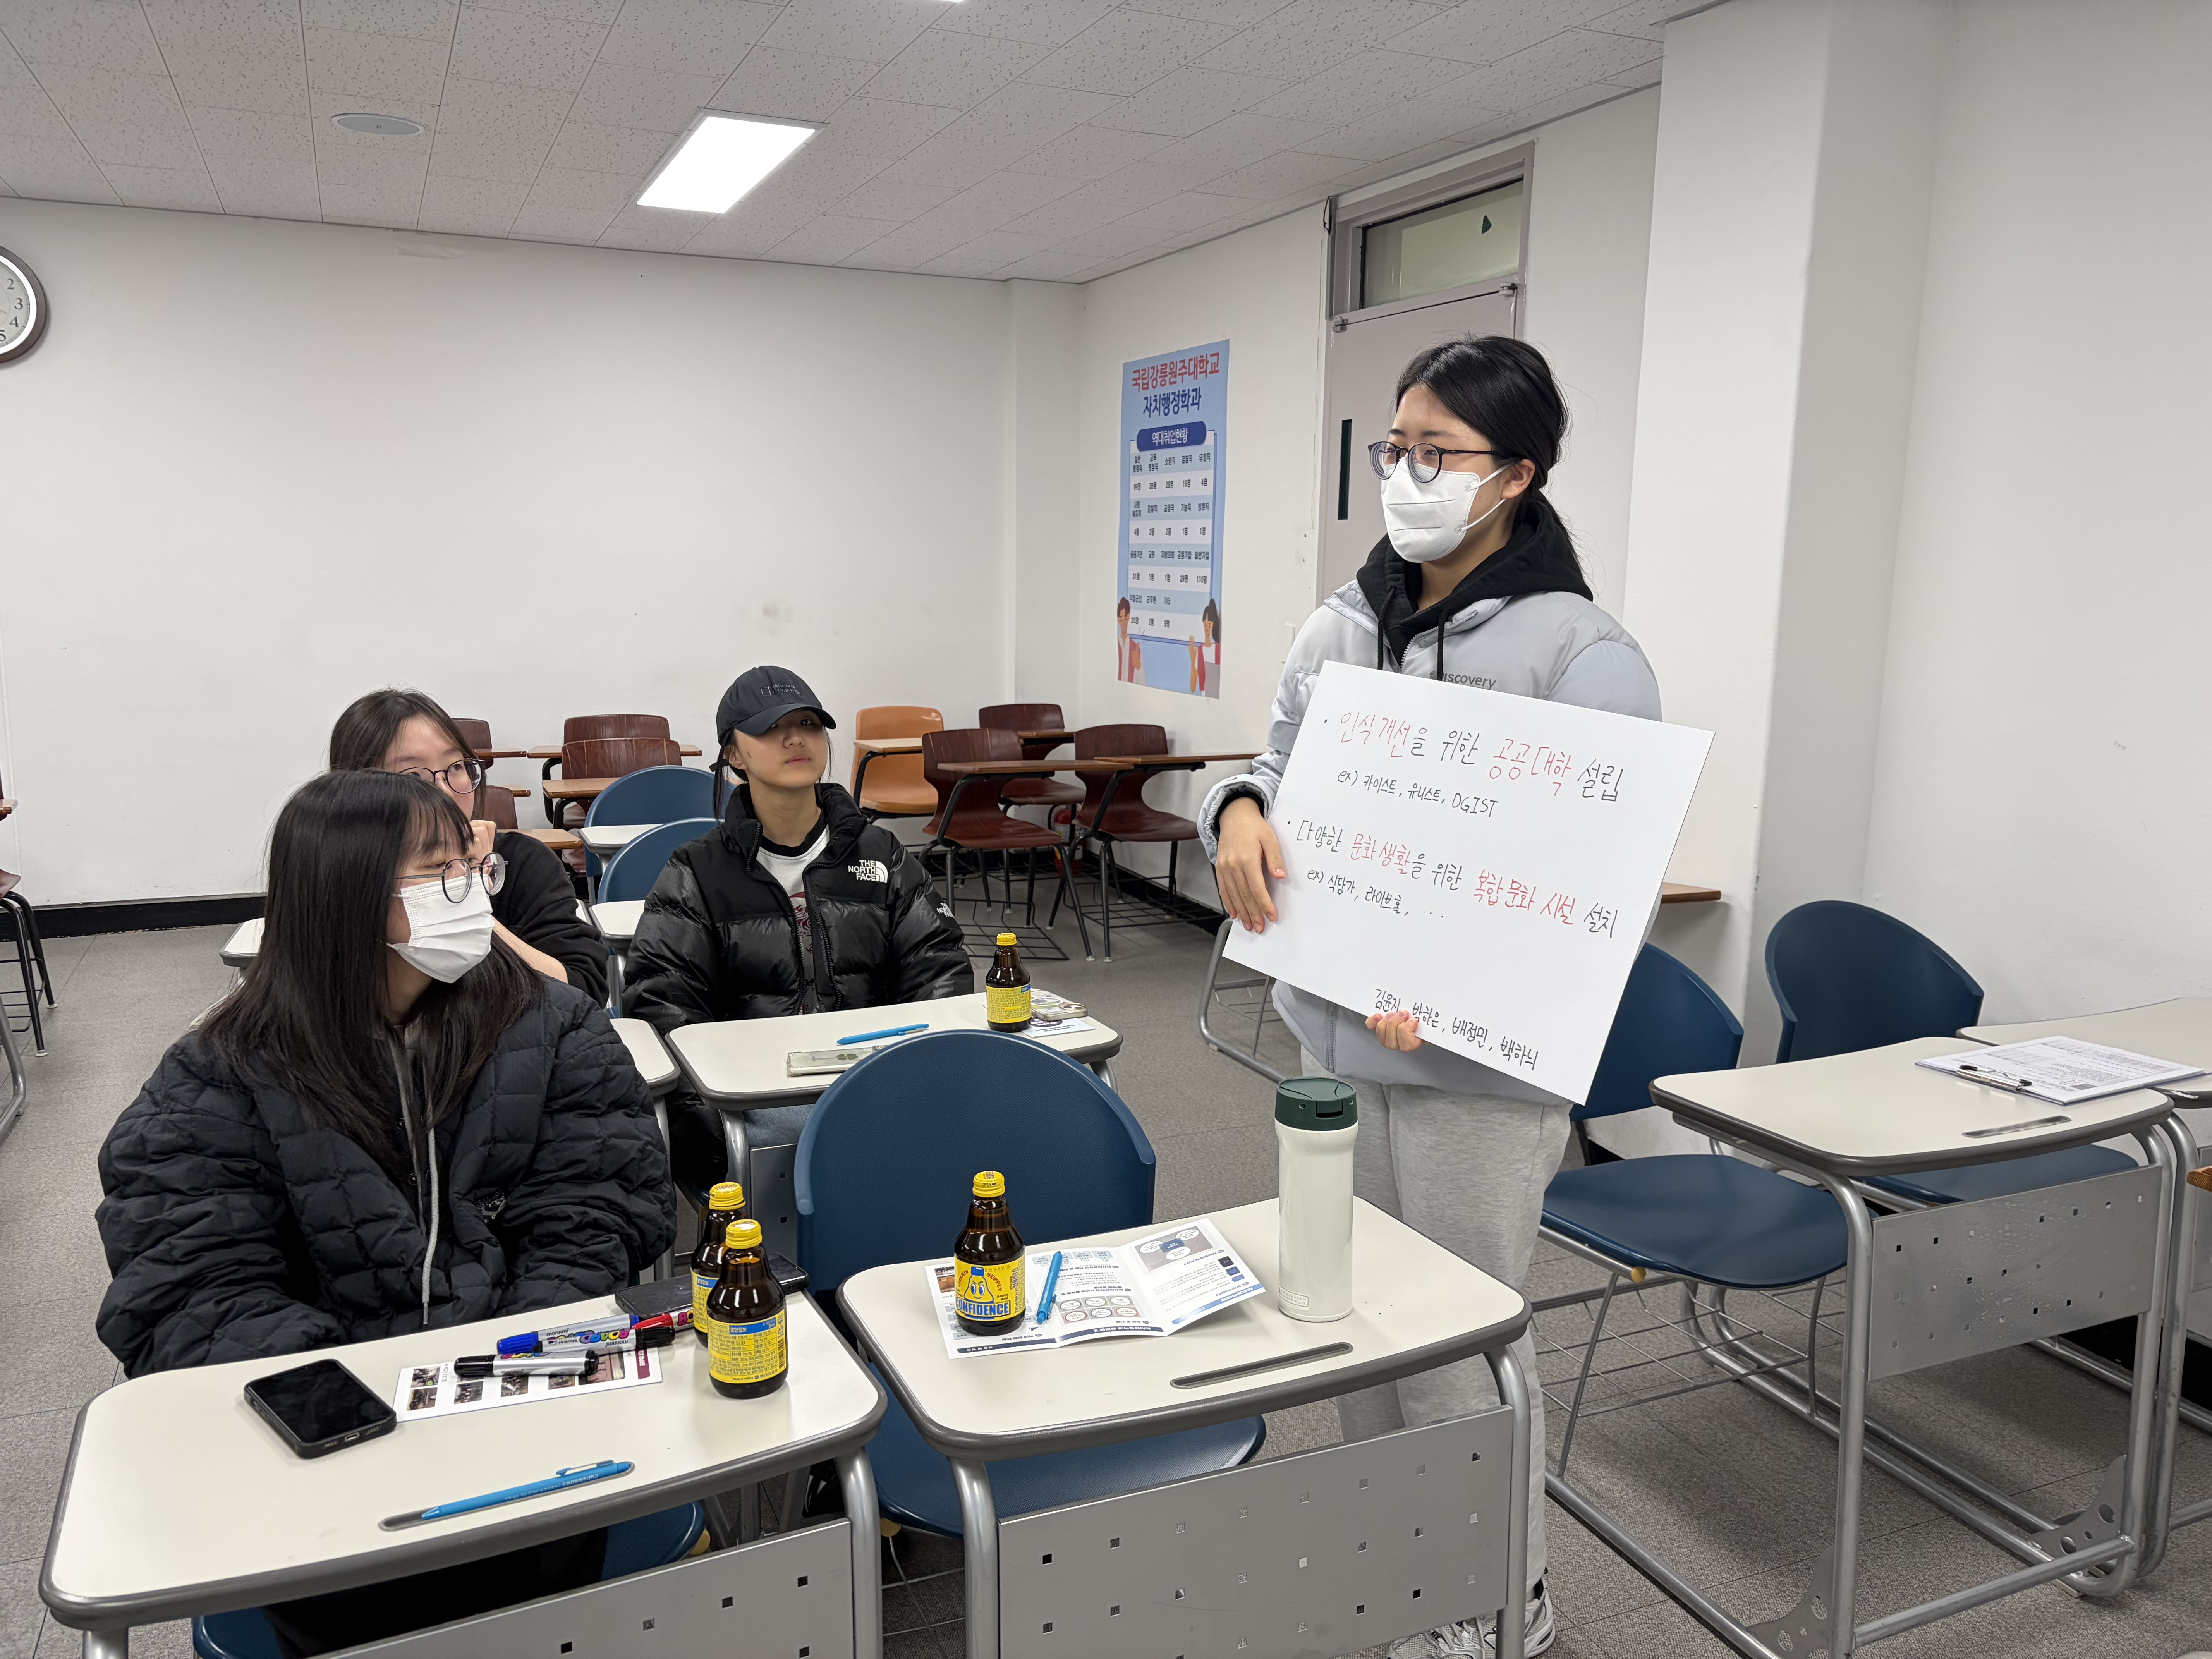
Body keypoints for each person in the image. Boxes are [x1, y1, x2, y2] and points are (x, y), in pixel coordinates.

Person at [1201, 335, 1659, 1659]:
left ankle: (1499, 1593)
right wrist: (1235, 807)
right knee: (1348, 1319)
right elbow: (1269, 764)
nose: (1406, 472)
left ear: (1516, 474)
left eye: (1438, 452)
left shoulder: (1584, 652)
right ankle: (1392, 1571)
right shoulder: (1342, 622)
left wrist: (1462, 984)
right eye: (1394, 447)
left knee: (1459, 1340)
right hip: (1335, 1041)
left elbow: (1597, 892)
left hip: (1476, 1071)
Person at [96, 768, 674, 1653]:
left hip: (528, 1412)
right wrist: (365, 1407)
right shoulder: (220, 1071)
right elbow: (190, 1288)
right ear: (347, 895)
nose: (467, 891)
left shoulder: (550, 1024)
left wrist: (514, 1368)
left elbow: (598, 1206)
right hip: (336, 1456)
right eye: (437, 872)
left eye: (469, 868)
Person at [624, 666, 971, 1179]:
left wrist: (912, 1079)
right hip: (752, 1101)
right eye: (770, 729)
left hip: (875, 1083)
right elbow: (663, 1005)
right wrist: (717, 1121)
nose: (795, 739)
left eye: (809, 723)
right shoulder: (696, 870)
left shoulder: (881, 853)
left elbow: (939, 968)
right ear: (734, 755)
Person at [329, 689, 606, 1001]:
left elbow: (582, 991)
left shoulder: (520, 861)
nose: (445, 792)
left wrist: (471, 896)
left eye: (456, 767)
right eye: (414, 776)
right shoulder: (335, 872)